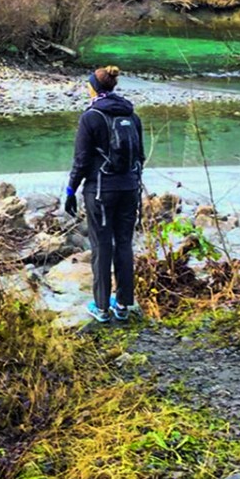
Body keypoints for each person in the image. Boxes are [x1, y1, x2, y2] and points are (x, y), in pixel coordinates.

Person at [65, 64, 144, 323]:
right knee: (123, 244)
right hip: (129, 188)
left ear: (94, 88)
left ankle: (101, 308)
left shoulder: (91, 116)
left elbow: (81, 160)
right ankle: (123, 306)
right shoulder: (132, 116)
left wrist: (70, 190)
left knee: (101, 247)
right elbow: (140, 156)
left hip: (100, 190)